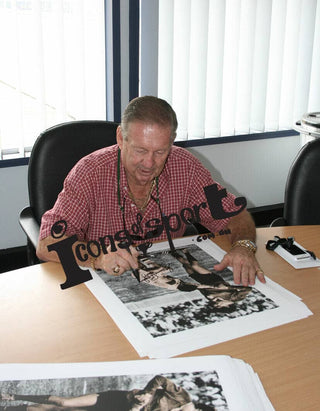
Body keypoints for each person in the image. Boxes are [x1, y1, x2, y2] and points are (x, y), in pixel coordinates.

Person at [36, 96, 265, 286]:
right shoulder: (90, 172)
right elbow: (47, 244)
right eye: (140, 150)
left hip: (168, 281)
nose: (148, 163)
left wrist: (244, 246)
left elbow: (234, 214)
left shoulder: (184, 167)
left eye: (159, 152)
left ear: (172, 143)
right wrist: (96, 256)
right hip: (102, 283)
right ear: (120, 138)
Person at [0, 375, 214, 411]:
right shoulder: (183, 397)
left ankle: (14, 409)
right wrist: (148, 393)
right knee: (63, 403)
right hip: (118, 398)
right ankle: (13, 396)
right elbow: (160, 379)